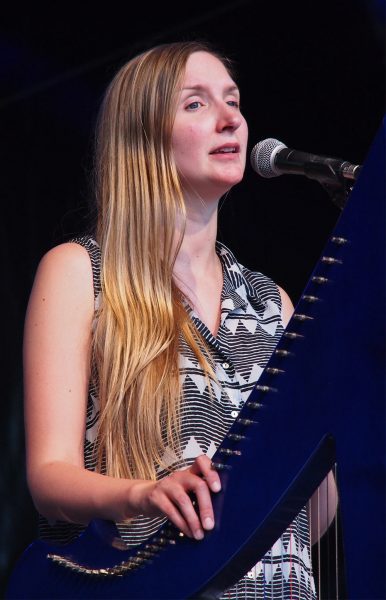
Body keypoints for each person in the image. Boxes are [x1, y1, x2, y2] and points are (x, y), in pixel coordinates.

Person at [23, 41, 334, 598]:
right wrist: (142, 494)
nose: (230, 117)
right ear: (142, 137)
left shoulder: (272, 304)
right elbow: (49, 475)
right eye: (195, 104)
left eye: (232, 100)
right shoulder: (82, 274)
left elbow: (311, 515)